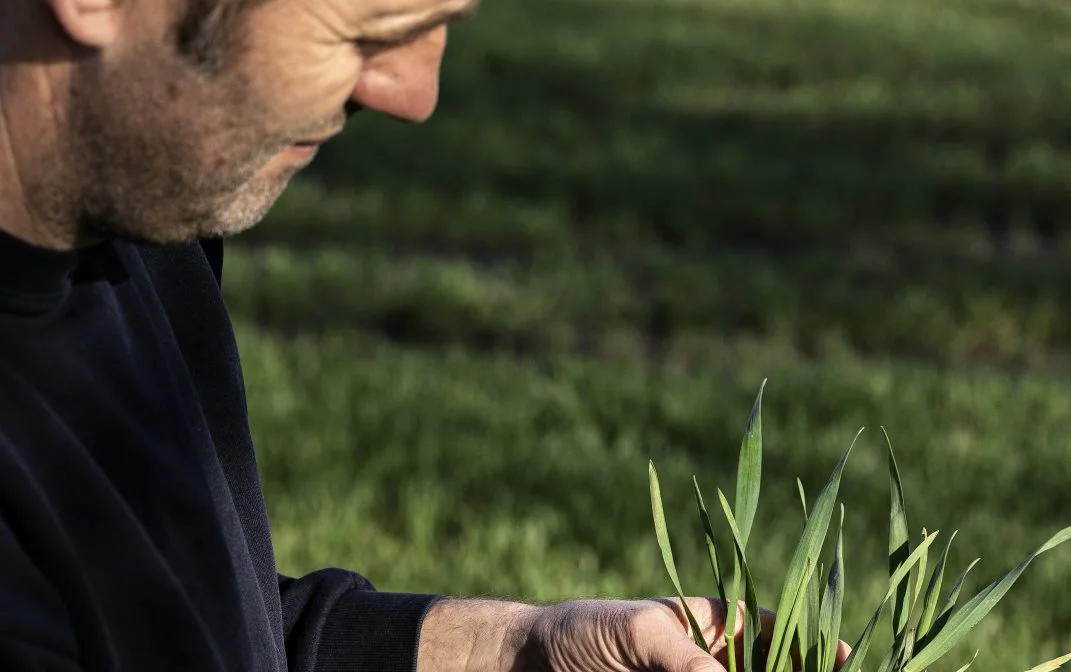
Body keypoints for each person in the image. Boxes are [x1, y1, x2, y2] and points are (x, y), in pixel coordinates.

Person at [0, 0, 853, 669]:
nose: (414, 97)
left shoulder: (138, 224)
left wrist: (511, 652)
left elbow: (179, 631)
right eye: (372, 31)